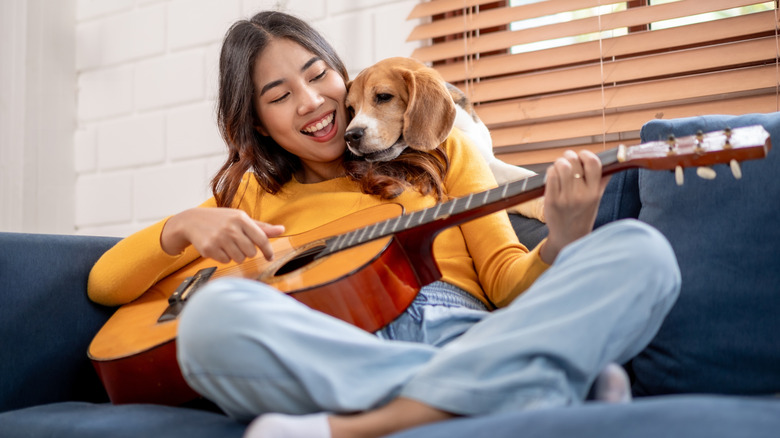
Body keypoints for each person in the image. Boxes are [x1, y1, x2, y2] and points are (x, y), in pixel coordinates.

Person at [87, 10, 681, 438]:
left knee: (642, 253)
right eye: (279, 95)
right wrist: (183, 226)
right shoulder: (252, 193)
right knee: (212, 322)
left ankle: (374, 424)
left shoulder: (442, 152)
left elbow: (504, 280)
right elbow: (103, 284)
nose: (312, 101)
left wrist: (564, 237)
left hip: (462, 328)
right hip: (334, 345)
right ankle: (531, 384)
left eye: (318, 74)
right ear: (261, 124)